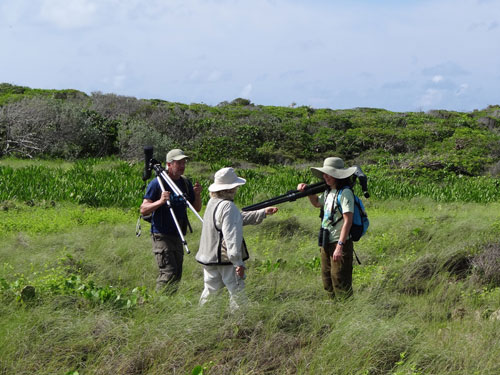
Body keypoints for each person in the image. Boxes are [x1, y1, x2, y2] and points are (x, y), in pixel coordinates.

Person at [195, 167, 278, 311]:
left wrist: (262, 213)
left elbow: (236, 219)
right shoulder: (228, 206)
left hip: (208, 258)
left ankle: (201, 321)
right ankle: (240, 324)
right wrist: (237, 262)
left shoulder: (212, 203)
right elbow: (231, 237)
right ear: (231, 188)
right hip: (226, 259)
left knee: (210, 292)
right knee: (237, 291)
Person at [140, 148, 202, 293]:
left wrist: (197, 194)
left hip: (178, 234)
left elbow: (196, 208)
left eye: (183, 162)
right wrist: (161, 201)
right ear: (169, 164)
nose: (182, 166)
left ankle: (169, 304)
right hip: (161, 234)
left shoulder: (185, 183)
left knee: (177, 274)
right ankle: (157, 303)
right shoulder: (157, 183)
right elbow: (143, 209)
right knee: (168, 273)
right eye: (178, 163)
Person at [297, 157, 357, 299]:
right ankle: (334, 309)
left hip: (339, 242)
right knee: (327, 279)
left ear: (337, 175)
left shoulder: (345, 193)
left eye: (328, 174)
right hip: (326, 241)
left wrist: (340, 246)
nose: (325, 177)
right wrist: (308, 192)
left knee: (340, 279)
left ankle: (346, 311)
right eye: (324, 174)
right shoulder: (328, 191)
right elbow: (318, 203)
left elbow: (348, 220)